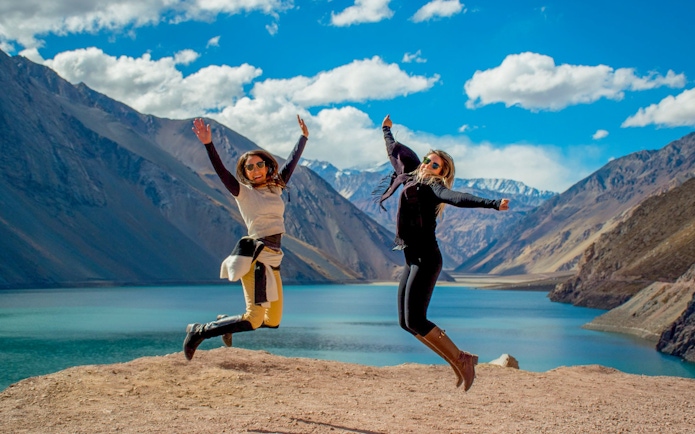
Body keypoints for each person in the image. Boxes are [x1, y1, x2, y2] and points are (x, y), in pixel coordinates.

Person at [377, 114, 509, 391]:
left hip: (426, 260)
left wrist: (493, 203)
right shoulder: (412, 173)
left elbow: (458, 198)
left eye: (435, 165)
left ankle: (463, 359)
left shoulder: (434, 187)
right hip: (412, 258)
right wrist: (386, 130)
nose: (427, 165)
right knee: (406, 322)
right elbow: (395, 152)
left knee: (416, 319)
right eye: (427, 160)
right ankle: (458, 363)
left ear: (442, 173)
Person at [183, 115, 309, 361]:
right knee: (253, 319)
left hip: (274, 259)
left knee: (272, 321)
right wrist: (209, 144)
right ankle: (199, 331)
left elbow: (292, 162)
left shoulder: (276, 187)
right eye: (249, 167)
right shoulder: (243, 193)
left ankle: (225, 323)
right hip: (257, 257)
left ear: (266, 166)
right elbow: (222, 172)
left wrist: (303, 138)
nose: (255, 170)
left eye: (259, 164)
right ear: (245, 172)